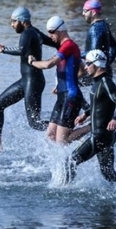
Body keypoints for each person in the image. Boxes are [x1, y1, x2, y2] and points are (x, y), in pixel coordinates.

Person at [0, 7, 56, 153]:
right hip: (27, 81)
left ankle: (65, 127)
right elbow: (57, 44)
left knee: (34, 123)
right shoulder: (35, 32)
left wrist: (3, 49)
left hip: (33, 81)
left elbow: (22, 50)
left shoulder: (28, 33)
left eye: (13, 21)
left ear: (21, 21)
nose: (11, 25)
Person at [65, 50, 116, 185]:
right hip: (104, 136)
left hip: (100, 136)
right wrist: (85, 114)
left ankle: (65, 191)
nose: (85, 67)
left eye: (87, 64)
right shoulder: (98, 82)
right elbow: (99, 104)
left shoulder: (106, 82)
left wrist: (115, 118)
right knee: (108, 172)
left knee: (70, 161)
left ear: (96, 64)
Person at [28, 16, 89, 145]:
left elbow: (48, 64)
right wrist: (65, 81)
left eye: (51, 32)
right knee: (50, 135)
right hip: (62, 96)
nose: (50, 36)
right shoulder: (68, 47)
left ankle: (93, 127)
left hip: (71, 96)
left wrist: (33, 62)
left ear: (60, 30)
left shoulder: (69, 46)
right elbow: (82, 70)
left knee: (62, 141)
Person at [81, 0, 116, 79]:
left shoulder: (95, 29)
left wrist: (76, 54)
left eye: (85, 11)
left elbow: (94, 53)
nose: (83, 14)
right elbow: (114, 46)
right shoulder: (104, 25)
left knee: (69, 83)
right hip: (104, 71)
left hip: (96, 72)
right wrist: (107, 62)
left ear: (93, 12)